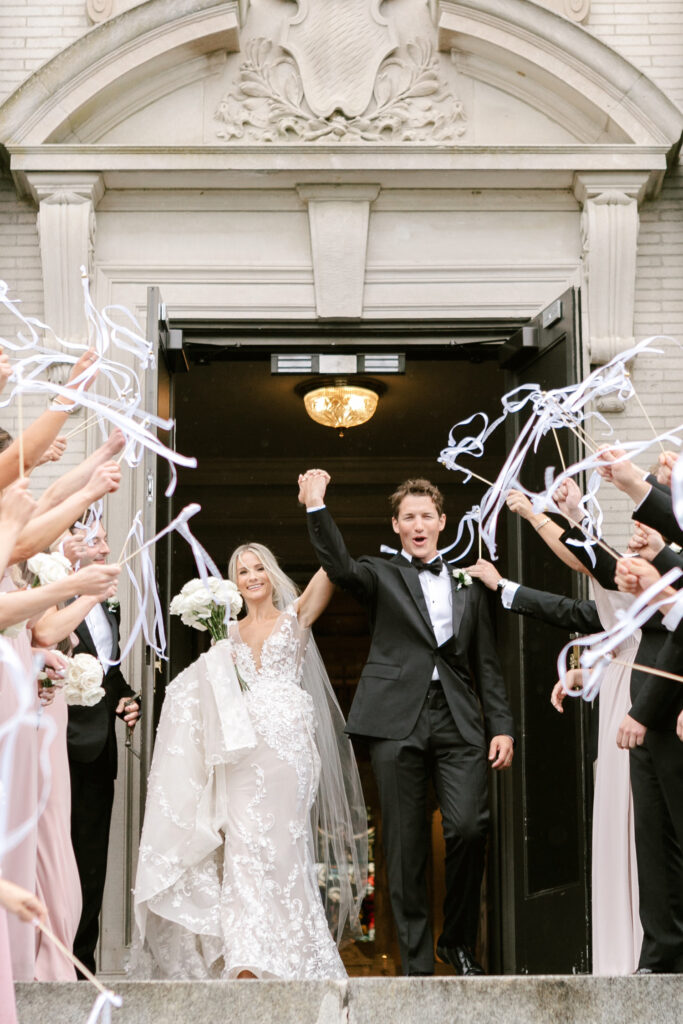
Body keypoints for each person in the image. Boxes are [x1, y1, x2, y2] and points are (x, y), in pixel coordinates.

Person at [299, 470, 514, 976]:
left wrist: (501, 725)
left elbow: (487, 663)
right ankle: (416, 963)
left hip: (459, 719)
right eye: (409, 517)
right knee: (405, 843)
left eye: (427, 516)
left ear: (442, 522)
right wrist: (315, 506)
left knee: (468, 826)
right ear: (396, 525)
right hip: (397, 719)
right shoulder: (380, 572)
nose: (418, 525)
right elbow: (340, 567)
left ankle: (457, 942)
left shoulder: (469, 582)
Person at [132, 544, 367, 980]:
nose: (252, 576)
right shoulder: (227, 635)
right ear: (234, 582)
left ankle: (295, 953)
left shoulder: (295, 618)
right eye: (242, 571)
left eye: (260, 567)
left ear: (272, 573)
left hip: (287, 753)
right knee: (242, 845)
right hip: (241, 754)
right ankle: (248, 955)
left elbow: (335, 563)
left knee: (283, 848)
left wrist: (316, 506)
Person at [466, 555, 643, 975]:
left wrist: (535, 514)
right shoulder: (614, 607)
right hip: (620, 722)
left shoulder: (647, 596)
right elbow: (576, 613)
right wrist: (582, 676)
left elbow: (583, 573)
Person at [64, 519, 139, 976]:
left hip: (98, 754)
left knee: (91, 866)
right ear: (70, 546)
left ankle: (79, 969)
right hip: (56, 748)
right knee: (58, 864)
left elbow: (106, 675)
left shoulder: (107, 605)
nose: (107, 547)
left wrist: (126, 699)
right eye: (97, 540)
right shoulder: (50, 593)